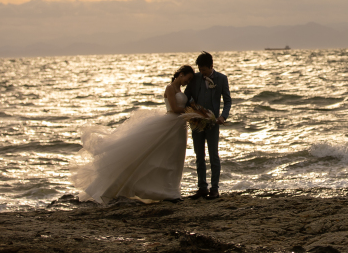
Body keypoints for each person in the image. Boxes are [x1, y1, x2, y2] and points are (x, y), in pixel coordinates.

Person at [70, 65, 194, 204]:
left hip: (179, 128)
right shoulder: (170, 88)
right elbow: (175, 108)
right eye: (187, 79)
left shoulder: (180, 90)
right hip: (170, 124)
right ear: (181, 74)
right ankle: (167, 192)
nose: (187, 82)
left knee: (175, 158)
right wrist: (192, 112)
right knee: (160, 157)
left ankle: (172, 190)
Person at [184, 51, 231, 200]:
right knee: (199, 156)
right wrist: (191, 111)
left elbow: (228, 100)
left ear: (211, 66)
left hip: (212, 124)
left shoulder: (222, 79)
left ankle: (215, 189)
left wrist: (223, 116)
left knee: (213, 156)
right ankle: (202, 188)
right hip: (197, 123)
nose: (201, 72)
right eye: (199, 69)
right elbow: (186, 96)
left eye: (204, 69)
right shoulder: (195, 79)